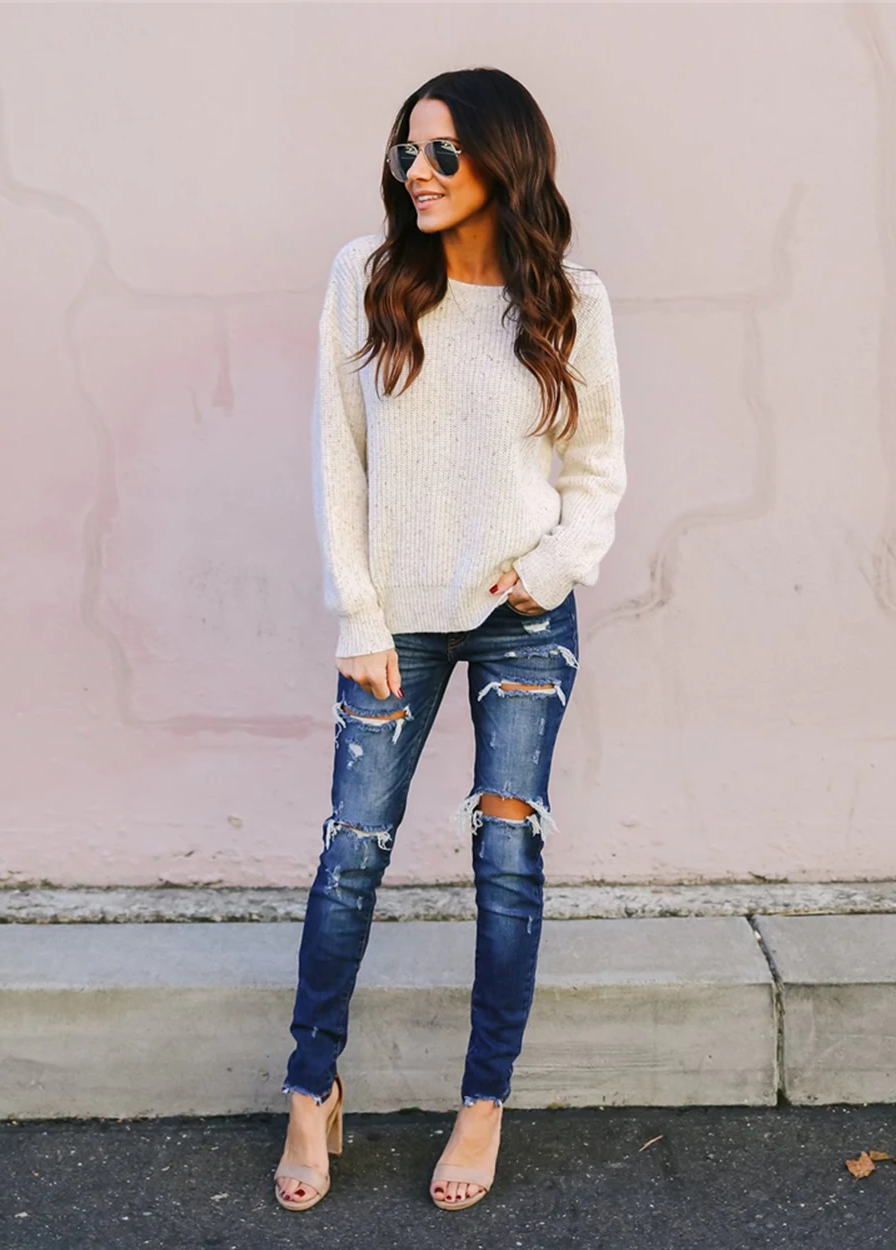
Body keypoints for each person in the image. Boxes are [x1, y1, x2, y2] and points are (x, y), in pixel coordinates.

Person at [274, 65, 627, 1212]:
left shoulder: (568, 299)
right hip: (397, 620)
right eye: (405, 153)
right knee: (352, 852)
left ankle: (483, 1099)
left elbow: (596, 470)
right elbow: (339, 453)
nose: (416, 173)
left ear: (501, 161)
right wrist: (357, 611)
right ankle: (311, 1088)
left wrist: (549, 570)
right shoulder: (367, 278)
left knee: (506, 857)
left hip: (523, 621)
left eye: (441, 153)